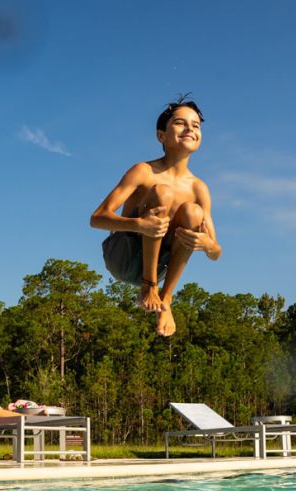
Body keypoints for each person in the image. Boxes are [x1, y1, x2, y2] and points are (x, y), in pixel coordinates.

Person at [90, 95, 222, 337]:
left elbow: (216, 252)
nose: (190, 128)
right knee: (163, 193)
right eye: (180, 123)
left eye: (196, 125)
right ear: (161, 135)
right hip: (123, 255)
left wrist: (206, 244)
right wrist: (139, 225)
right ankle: (148, 286)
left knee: (193, 211)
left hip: (161, 263)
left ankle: (166, 299)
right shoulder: (144, 171)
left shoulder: (199, 189)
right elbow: (97, 218)